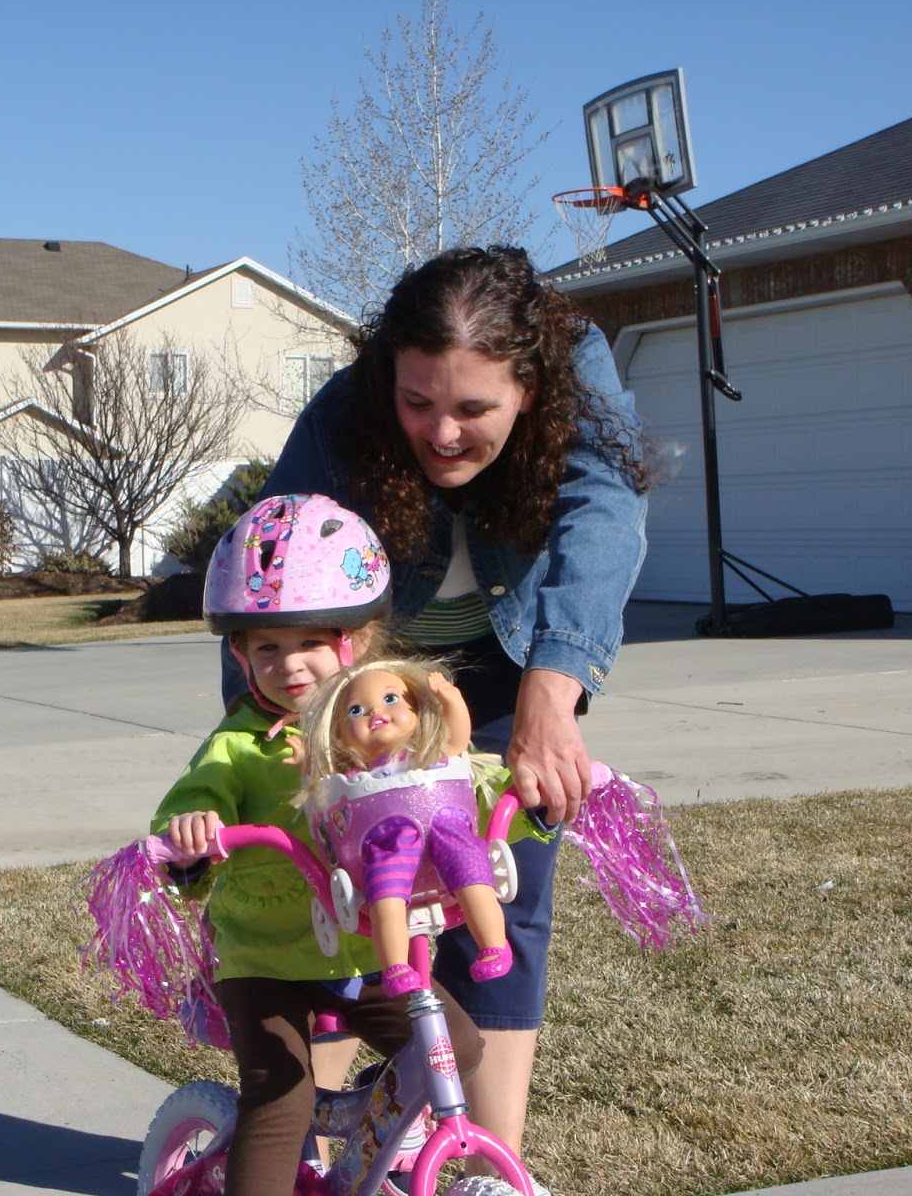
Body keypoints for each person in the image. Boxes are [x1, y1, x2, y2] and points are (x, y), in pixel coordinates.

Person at [241, 244, 654, 1168]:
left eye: (475, 409)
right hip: (367, 670)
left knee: (504, 900)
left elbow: (605, 511)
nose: (442, 433)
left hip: (512, 665)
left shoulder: (575, 365)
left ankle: (485, 1163)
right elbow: (276, 567)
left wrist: (557, 693)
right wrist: (280, 728)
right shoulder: (348, 407)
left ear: (530, 392)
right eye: (419, 402)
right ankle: (321, 1151)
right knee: (346, 889)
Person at [153, 492, 483, 1196]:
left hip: (367, 949)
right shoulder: (239, 743)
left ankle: (361, 1137)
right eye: (266, 647)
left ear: (353, 642)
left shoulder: (380, 724)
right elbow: (198, 795)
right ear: (239, 654)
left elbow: (452, 775)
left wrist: (530, 796)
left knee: (458, 1045)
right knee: (281, 1098)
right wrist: (190, 835)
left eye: (309, 642)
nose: (290, 664)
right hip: (265, 956)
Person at [297, 659, 511, 996]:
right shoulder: (354, 777)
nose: (374, 712)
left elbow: (457, 740)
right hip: (386, 838)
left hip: (445, 823)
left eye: (390, 699)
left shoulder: (429, 755)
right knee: (386, 895)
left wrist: (451, 699)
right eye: (355, 710)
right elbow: (319, 786)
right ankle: (395, 965)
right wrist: (305, 756)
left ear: (418, 709)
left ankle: (494, 945)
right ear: (338, 735)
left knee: (472, 875)